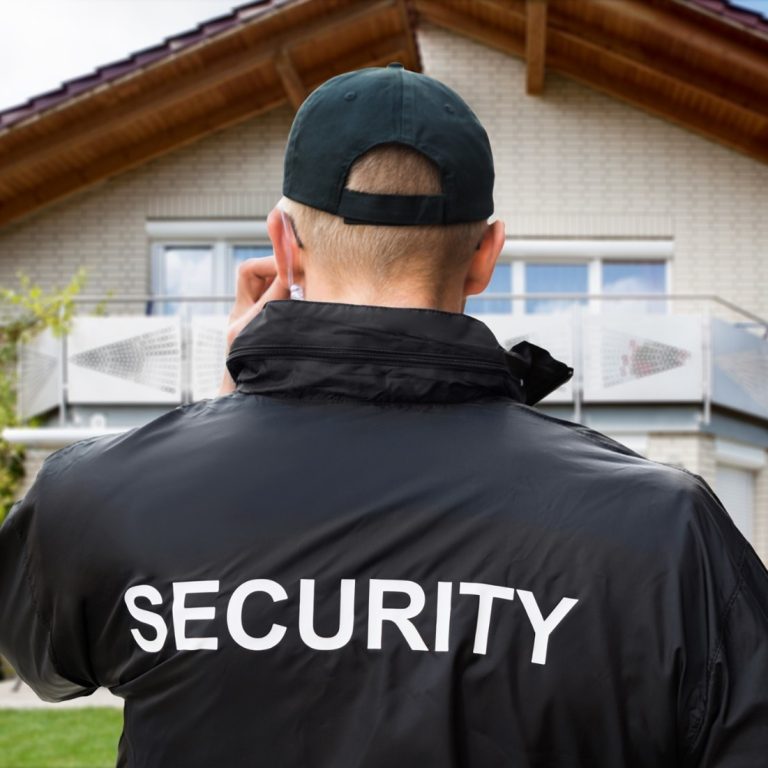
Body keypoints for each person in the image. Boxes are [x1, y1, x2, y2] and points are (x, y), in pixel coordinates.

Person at [1, 63, 766, 768]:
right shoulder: (663, 531)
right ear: (486, 255)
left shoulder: (98, 498)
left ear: (283, 245)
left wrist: (234, 405)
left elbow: (45, 663)